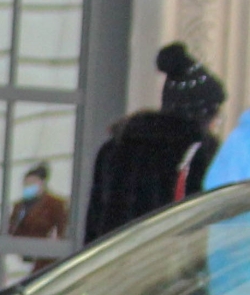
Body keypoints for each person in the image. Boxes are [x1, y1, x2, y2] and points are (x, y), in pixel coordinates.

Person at [85, 42, 226, 240]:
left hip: (115, 265)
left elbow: (94, 225)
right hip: (165, 266)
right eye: (215, 114)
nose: (217, 123)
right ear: (201, 114)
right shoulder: (199, 153)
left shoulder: (113, 147)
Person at [6, 162, 69, 240]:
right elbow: (11, 230)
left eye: (32, 182)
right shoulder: (19, 206)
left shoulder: (55, 204)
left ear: (42, 183)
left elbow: (62, 232)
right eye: (26, 183)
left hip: (44, 249)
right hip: (21, 248)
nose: (28, 186)